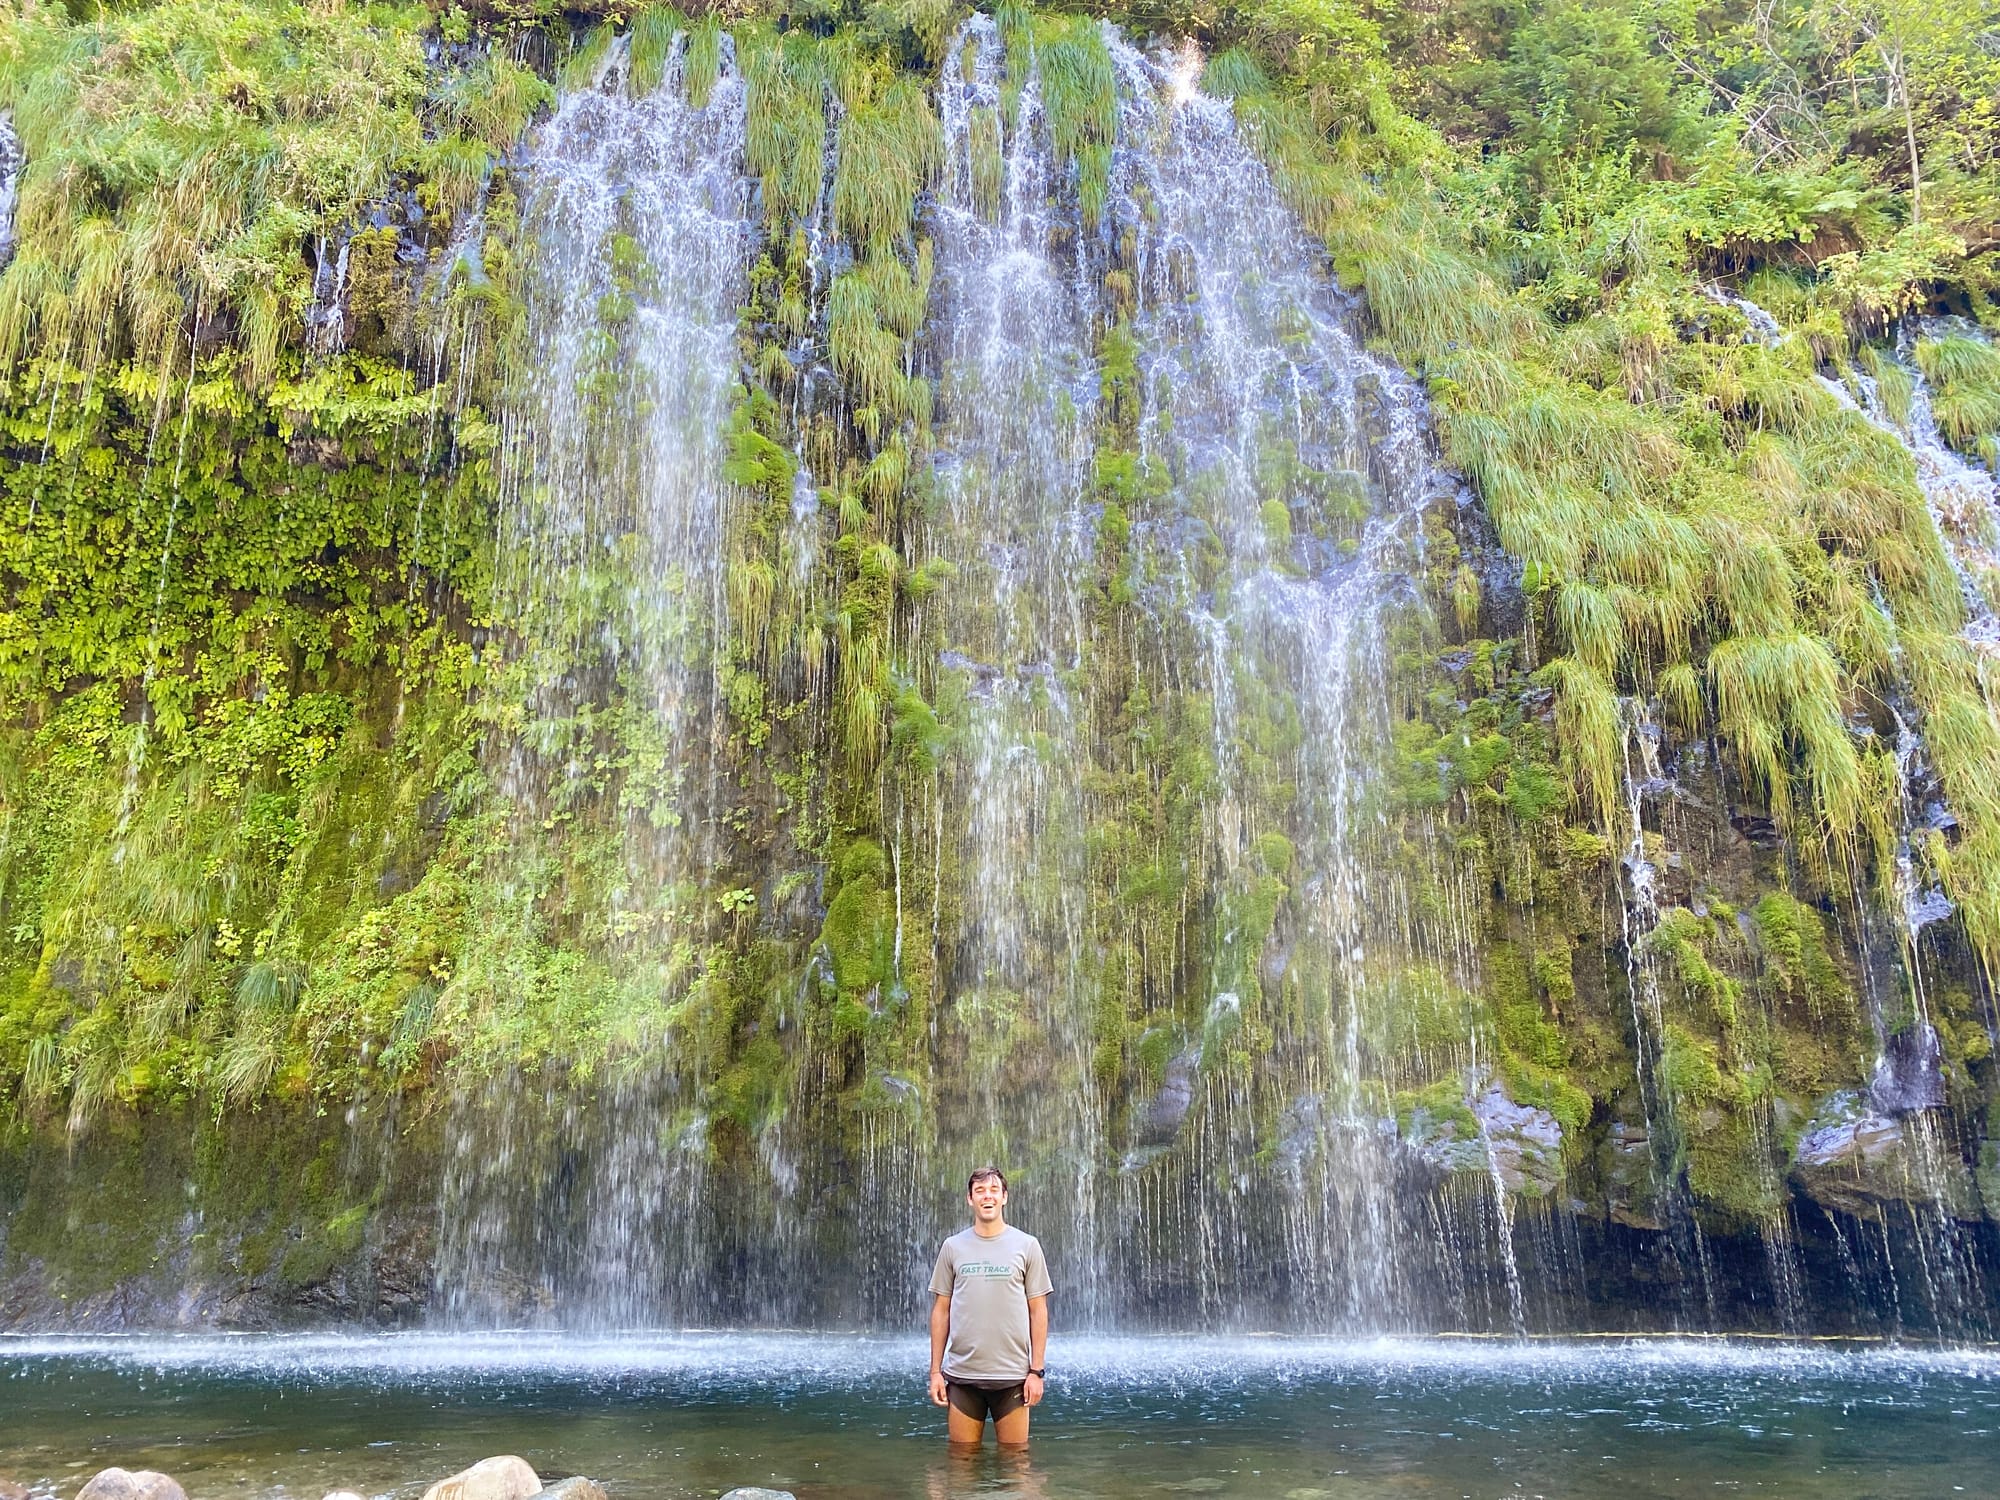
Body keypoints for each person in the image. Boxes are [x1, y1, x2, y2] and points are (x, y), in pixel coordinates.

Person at [927, 1166, 1051, 1445]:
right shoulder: (952, 1247)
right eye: (980, 1191)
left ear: (1004, 1197)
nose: (988, 1196)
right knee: (961, 1464)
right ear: (970, 1199)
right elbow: (941, 1310)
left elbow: (1038, 1310)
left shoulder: (1027, 1245)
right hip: (962, 1378)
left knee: (1017, 1466)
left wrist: (1036, 1371)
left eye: (994, 1190)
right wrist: (935, 1372)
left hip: (1014, 1379)